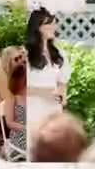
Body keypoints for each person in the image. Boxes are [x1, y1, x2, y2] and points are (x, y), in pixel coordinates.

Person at [25, 8, 71, 139]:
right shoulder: (26, 54)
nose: (53, 27)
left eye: (54, 23)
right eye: (48, 24)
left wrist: (62, 95)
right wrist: (44, 93)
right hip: (33, 109)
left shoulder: (59, 53)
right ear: (37, 27)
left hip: (54, 109)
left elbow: (62, 81)